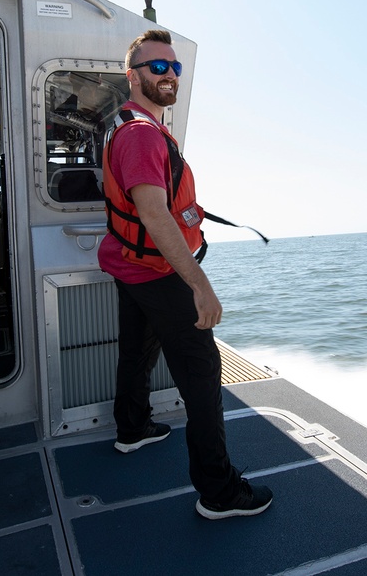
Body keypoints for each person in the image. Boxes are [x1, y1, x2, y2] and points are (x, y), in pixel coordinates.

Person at [99, 30, 273, 520]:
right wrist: (200, 284)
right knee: (201, 376)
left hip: (128, 266)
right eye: (158, 67)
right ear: (133, 76)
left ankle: (131, 429)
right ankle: (220, 492)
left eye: (175, 67)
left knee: (137, 350)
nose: (169, 74)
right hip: (157, 271)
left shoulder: (129, 126)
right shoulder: (139, 134)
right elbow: (153, 215)